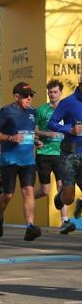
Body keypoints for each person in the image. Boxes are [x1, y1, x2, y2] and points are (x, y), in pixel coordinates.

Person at [0, 82, 42, 241]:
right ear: (16, 96)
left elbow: (30, 132)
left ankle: (30, 227)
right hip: (9, 160)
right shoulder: (7, 111)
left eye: (31, 96)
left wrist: (35, 141)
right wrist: (10, 138)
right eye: (26, 96)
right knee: (8, 195)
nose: (29, 99)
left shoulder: (33, 112)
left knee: (28, 191)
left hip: (28, 161)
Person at [34, 80, 71, 233]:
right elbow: (35, 130)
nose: (52, 94)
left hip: (61, 153)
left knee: (63, 187)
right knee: (45, 191)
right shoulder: (42, 110)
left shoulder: (67, 109)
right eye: (50, 92)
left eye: (55, 92)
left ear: (61, 93)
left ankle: (65, 221)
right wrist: (46, 134)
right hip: (44, 154)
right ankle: (29, 197)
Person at [49, 74, 82, 218]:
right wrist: (69, 129)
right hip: (70, 155)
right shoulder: (68, 102)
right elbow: (52, 123)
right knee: (68, 199)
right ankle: (61, 194)